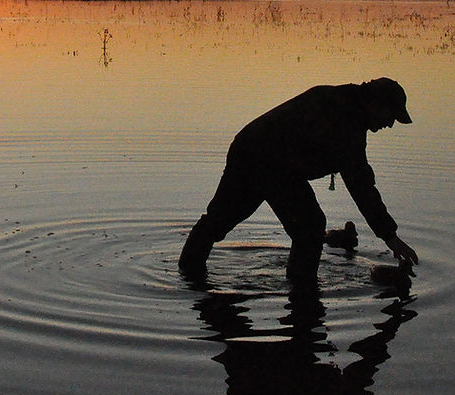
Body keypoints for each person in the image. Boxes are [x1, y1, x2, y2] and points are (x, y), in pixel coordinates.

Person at [179, 78, 420, 284]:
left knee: (218, 220)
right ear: (376, 103)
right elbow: (361, 185)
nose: (389, 124)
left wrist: (389, 234)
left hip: (250, 148)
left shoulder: (346, 107)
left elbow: (359, 180)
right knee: (310, 226)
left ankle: (188, 273)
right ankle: (302, 290)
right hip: (267, 159)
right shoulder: (346, 120)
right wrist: (391, 237)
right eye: (391, 116)